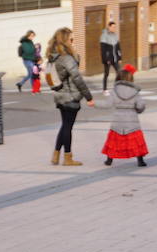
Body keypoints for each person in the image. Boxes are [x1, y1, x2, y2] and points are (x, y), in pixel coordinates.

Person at [46, 26, 94, 166]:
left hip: (60, 95)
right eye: (71, 39)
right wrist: (89, 96)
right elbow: (77, 78)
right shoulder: (66, 58)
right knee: (68, 127)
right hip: (70, 96)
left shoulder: (53, 57)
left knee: (64, 125)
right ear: (66, 40)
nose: (73, 41)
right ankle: (68, 158)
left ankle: (56, 155)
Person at [104, 65, 149, 167]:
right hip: (132, 120)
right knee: (136, 140)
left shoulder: (114, 91)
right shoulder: (135, 92)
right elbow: (140, 105)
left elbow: (108, 104)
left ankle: (109, 160)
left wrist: (94, 104)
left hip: (117, 120)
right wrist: (139, 110)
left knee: (114, 140)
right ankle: (140, 160)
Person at [100, 20, 121, 94]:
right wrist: (105, 59)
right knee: (106, 74)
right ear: (109, 27)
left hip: (115, 58)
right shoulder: (104, 35)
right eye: (113, 27)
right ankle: (104, 89)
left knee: (119, 72)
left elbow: (118, 48)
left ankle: (117, 87)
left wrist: (119, 57)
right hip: (108, 59)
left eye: (115, 27)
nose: (114, 28)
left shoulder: (115, 35)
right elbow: (103, 49)